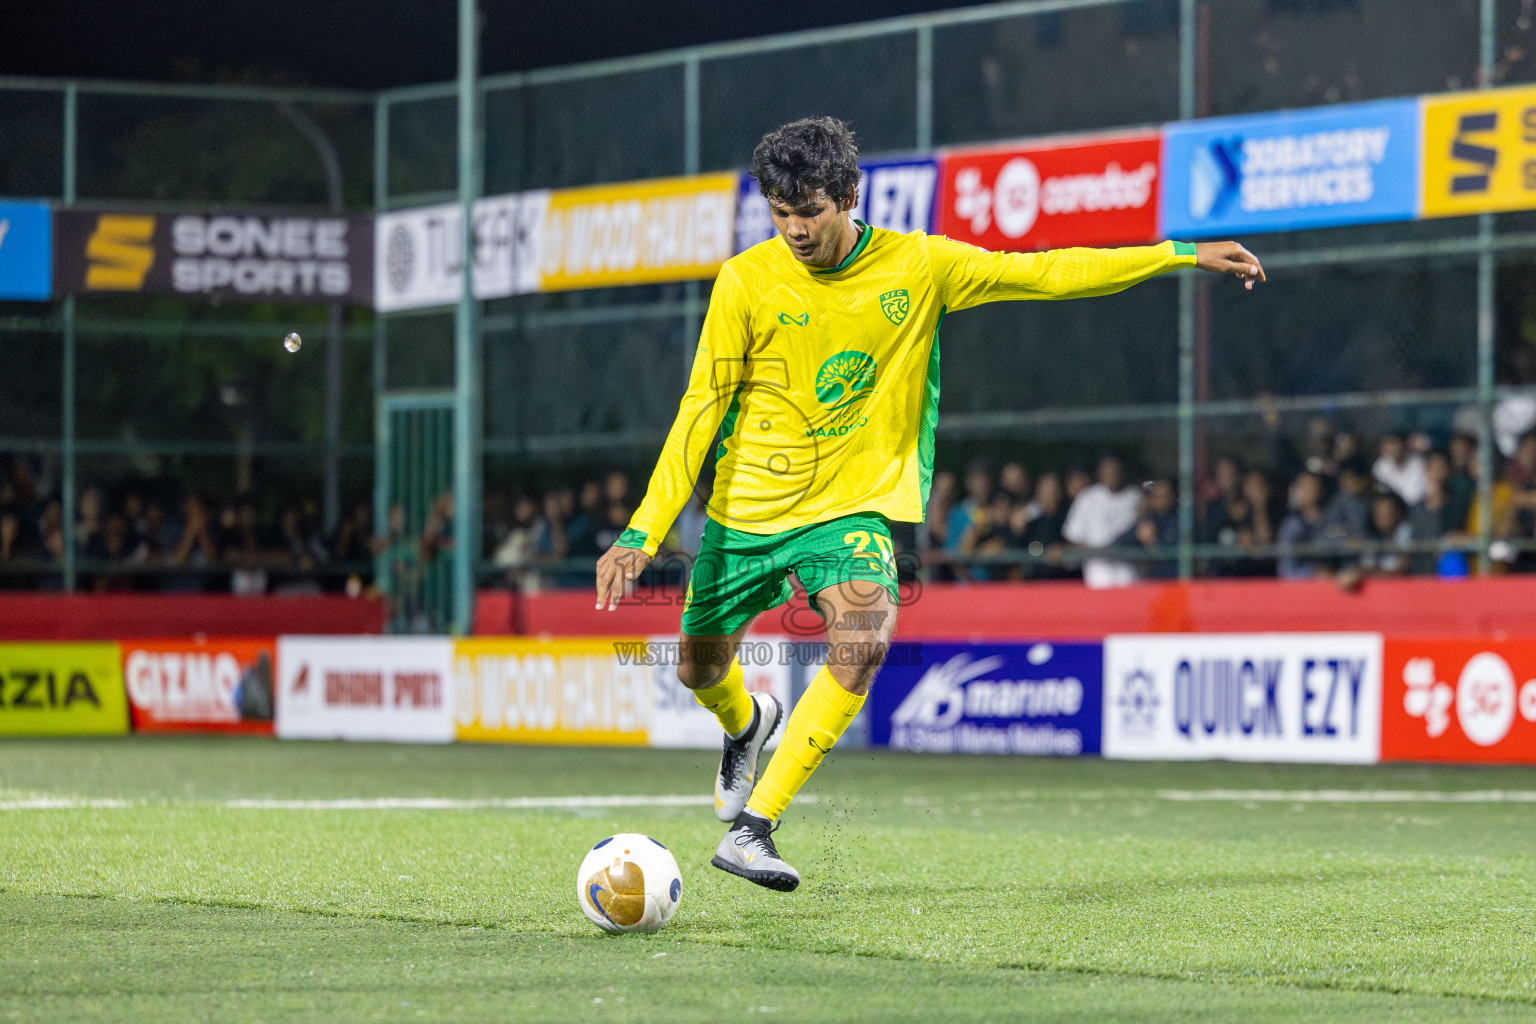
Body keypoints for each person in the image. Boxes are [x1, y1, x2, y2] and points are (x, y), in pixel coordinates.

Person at [592, 115, 1264, 892]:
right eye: (780, 213)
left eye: (808, 210)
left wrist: (1178, 253)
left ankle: (754, 828)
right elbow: (699, 410)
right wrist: (641, 531)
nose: (795, 229)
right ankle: (747, 725)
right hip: (744, 515)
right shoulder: (745, 280)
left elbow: (1050, 273)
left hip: (848, 509)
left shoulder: (921, 266)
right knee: (697, 670)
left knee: (867, 632)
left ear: (849, 195)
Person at [1062, 454, 1142, 588]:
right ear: (1100, 474)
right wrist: (1101, 551)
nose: (1113, 475)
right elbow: (1072, 539)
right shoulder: (1087, 497)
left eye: (1116, 471)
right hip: (1098, 576)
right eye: (1108, 471)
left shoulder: (1135, 497)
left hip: (1129, 575)